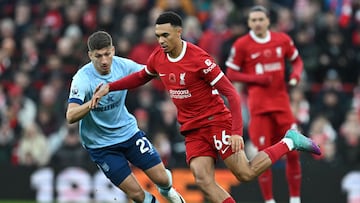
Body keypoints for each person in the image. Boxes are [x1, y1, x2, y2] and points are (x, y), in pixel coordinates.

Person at [90, 12, 321, 203]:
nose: (160, 40)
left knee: (245, 173)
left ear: (179, 33)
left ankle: (289, 141)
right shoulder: (158, 57)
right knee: (203, 180)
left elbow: (232, 93)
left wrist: (236, 133)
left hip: (215, 121)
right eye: (157, 35)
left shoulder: (199, 59)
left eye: (165, 35)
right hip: (192, 128)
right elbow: (142, 76)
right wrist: (110, 87)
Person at [66, 31, 185, 203]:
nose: (104, 60)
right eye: (98, 56)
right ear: (90, 55)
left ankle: (167, 191)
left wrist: (175, 70)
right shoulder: (82, 79)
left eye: (107, 54)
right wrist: (91, 103)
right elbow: (70, 115)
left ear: (113, 50)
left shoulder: (123, 66)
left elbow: (150, 72)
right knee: (136, 195)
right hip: (101, 146)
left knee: (163, 179)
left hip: (128, 133)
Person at [225, 5, 305, 203]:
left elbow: (297, 61)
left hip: (282, 107)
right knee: (263, 158)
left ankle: (295, 199)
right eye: (253, 20)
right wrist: (255, 79)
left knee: (293, 152)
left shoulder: (282, 40)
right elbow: (231, 73)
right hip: (259, 110)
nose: (258, 23)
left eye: (261, 19)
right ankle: (269, 201)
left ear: (268, 21)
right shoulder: (242, 44)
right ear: (249, 23)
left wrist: (295, 75)